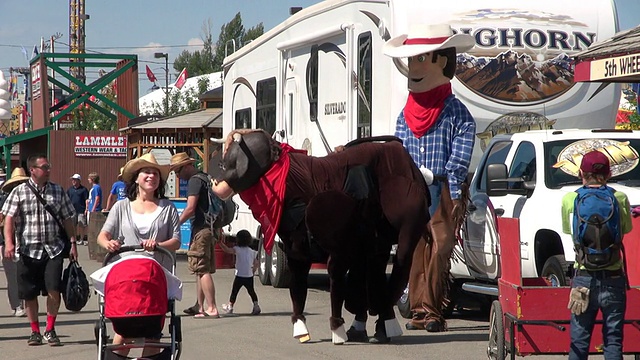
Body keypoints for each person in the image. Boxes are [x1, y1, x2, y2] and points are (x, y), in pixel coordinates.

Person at [383, 24, 476, 332]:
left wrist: (447, 178)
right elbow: (397, 151)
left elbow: (461, 154)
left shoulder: (456, 112)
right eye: (411, 60)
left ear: (442, 61)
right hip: (413, 190)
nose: (414, 67)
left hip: (443, 189)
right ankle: (420, 311)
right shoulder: (405, 115)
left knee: (440, 248)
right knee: (414, 249)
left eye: (421, 59)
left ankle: (433, 308)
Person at [97, 152, 181, 356]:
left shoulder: (168, 208)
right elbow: (102, 236)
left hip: (154, 275)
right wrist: (109, 244)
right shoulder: (121, 207)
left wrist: (159, 244)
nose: (151, 176)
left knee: (152, 329)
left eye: (155, 173)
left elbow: (177, 241)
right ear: (136, 177)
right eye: (146, 172)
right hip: (125, 276)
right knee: (123, 328)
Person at [561, 150, 632, 360]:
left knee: (579, 342)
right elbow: (626, 229)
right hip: (613, 278)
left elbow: (569, 230)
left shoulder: (569, 199)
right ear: (609, 174)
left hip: (583, 278)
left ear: (581, 173)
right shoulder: (619, 198)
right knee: (613, 340)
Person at [1, 155, 78, 346]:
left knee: (54, 290)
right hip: (27, 251)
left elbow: (68, 218)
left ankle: (50, 329)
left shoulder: (58, 191)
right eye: (44, 167)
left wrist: (73, 242)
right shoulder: (19, 192)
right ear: (33, 170)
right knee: (29, 294)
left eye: (49, 166)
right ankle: (35, 331)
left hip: (53, 249)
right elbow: (8, 219)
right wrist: (9, 243)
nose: (48, 170)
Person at [170, 152, 219, 318]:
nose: (177, 176)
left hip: (200, 228)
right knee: (200, 269)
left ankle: (211, 307)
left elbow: (190, 208)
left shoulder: (194, 181)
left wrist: (174, 223)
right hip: (210, 228)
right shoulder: (205, 178)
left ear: (186, 167)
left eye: (177, 171)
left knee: (202, 269)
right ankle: (200, 306)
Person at [0, 168, 30, 318]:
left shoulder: (30, 197)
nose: (19, 185)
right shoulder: (3, 200)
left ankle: (26, 303)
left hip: (26, 242)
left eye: (22, 182)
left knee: (24, 275)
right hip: (7, 242)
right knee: (12, 277)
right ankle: (17, 305)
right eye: (17, 183)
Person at [219, 229, 261, 315]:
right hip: (249, 275)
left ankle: (230, 306)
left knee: (235, 291)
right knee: (251, 291)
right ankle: (256, 305)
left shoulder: (237, 249)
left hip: (239, 275)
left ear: (238, 240)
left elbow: (227, 250)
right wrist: (253, 271)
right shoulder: (252, 251)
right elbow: (256, 263)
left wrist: (220, 243)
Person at [67, 173, 89, 246]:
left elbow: (86, 200)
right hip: (72, 211)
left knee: (81, 224)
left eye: (75, 180)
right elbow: (67, 199)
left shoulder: (84, 189)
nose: (73, 181)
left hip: (81, 210)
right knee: (73, 226)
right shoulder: (70, 190)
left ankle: (82, 239)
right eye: (72, 180)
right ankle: (75, 239)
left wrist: (86, 209)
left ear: (79, 181)